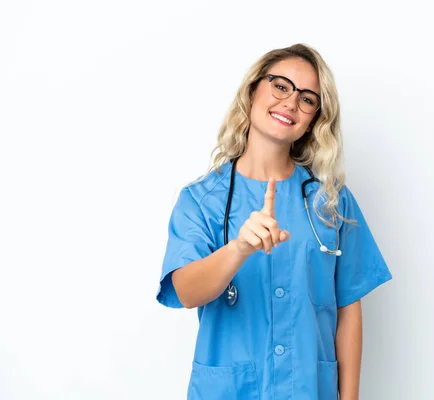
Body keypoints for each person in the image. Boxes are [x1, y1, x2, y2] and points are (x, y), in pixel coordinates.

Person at [156, 43, 392, 400]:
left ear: (314, 119)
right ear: (253, 90)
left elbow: (348, 308)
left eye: (308, 98)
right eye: (281, 86)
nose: (291, 103)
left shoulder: (331, 201)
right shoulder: (201, 201)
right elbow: (187, 292)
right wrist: (238, 248)